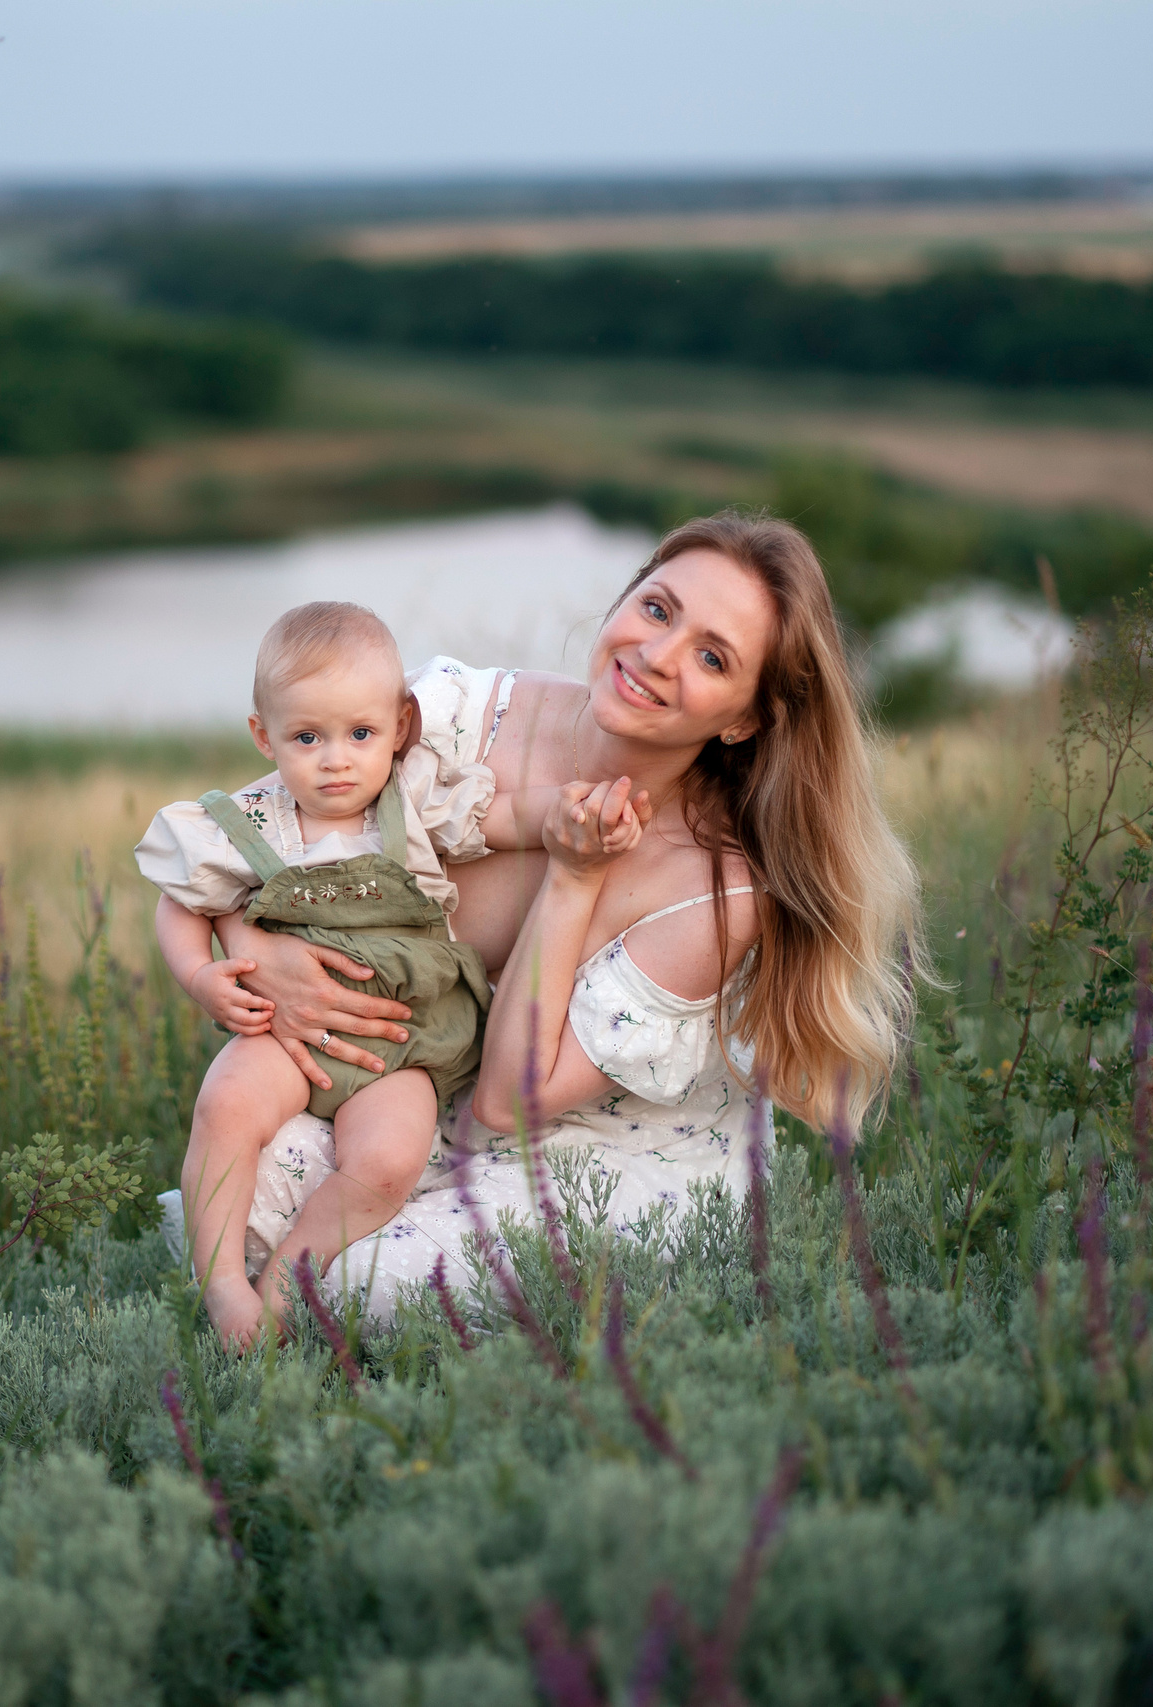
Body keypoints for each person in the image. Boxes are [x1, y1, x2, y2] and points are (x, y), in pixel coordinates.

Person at [184, 511, 923, 1322]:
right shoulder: (464, 713)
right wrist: (260, 956)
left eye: (712, 657)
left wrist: (574, 878)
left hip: (588, 1152)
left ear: (743, 718)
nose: (658, 654)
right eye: (657, 608)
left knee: (368, 1283)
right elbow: (243, 837)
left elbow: (510, 1100)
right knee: (241, 1195)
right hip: (421, 1084)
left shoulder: (717, 894)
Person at [139, 603, 547, 1347]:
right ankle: (221, 1281)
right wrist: (200, 976)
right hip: (286, 1035)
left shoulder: (412, 802)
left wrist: (571, 815)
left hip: (404, 1038)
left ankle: (291, 1272)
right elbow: (180, 903)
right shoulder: (250, 822)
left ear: (400, 725)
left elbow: (507, 819)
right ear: (264, 736)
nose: (335, 760)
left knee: (388, 1162)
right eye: (307, 737)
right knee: (225, 1105)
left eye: (361, 734)